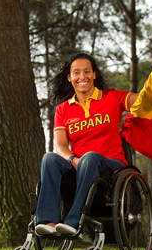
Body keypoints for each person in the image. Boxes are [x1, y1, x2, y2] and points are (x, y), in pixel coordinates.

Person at [35, 52, 143, 235]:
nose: (82, 77)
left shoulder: (111, 98)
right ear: (69, 78)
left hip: (112, 166)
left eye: (87, 71)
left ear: (94, 75)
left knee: (90, 157)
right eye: (76, 73)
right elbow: (60, 146)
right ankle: (49, 222)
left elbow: (144, 98)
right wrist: (73, 161)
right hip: (79, 164)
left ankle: (73, 221)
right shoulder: (63, 110)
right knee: (49, 159)